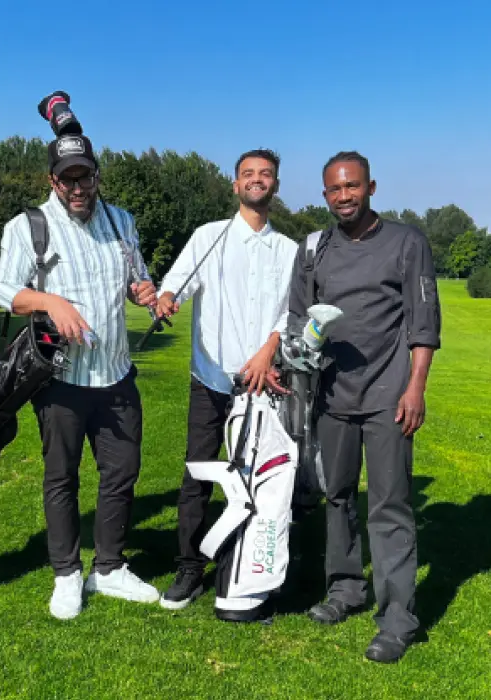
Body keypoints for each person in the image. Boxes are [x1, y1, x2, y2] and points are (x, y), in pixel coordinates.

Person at [0, 132, 160, 620]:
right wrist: (50, 301)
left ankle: (109, 567)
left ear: (97, 175)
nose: (78, 187)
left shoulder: (121, 221)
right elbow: (3, 290)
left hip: (116, 374)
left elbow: (133, 280)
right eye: (68, 179)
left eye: (85, 176)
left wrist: (143, 291)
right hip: (61, 377)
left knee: (122, 472)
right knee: (61, 477)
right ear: (53, 181)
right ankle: (66, 574)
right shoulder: (29, 226)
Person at [288, 150, 441, 663]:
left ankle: (398, 619)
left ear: (371, 187)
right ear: (325, 195)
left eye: (352, 186)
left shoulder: (406, 242)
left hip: (388, 396)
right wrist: (302, 345)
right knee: (336, 495)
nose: (344, 196)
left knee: (389, 504)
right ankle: (345, 588)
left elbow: (423, 323)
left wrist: (415, 387)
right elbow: (297, 316)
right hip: (332, 396)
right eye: (334, 189)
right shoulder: (315, 249)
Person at [152, 149, 299, 612]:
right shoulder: (208, 236)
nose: (257, 180)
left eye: (265, 174)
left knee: (262, 481)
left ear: (275, 185)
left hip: (264, 385)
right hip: (211, 382)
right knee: (198, 475)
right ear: (235, 185)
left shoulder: (289, 250)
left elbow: (291, 314)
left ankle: (252, 569)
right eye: (248, 174)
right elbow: (176, 282)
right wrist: (167, 298)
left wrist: (267, 352)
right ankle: (189, 568)